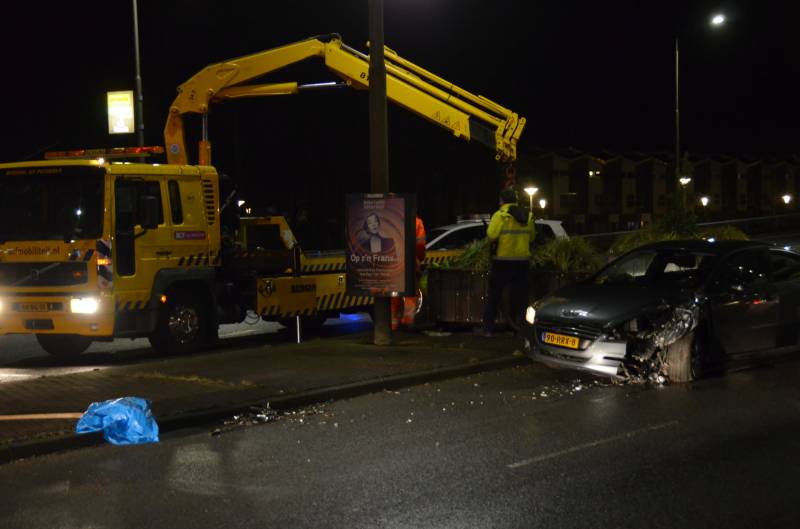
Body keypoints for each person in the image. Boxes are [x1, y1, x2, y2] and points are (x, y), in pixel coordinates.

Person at [478, 188, 535, 336]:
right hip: (523, 262)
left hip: (502, 262)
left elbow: (491, 236)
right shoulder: (528, 216)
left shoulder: (500, 215)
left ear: (501, 201)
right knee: (521, 297)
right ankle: (521, 328)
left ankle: (488, 328)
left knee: (495, 294)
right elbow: (532, 238)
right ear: (516, 201)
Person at [391, 216, 426, 330]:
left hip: (394, 263)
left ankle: (394, 323)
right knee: (410, 293)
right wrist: (419, 259)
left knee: (395, 294)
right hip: (411, 262)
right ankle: (408, 321)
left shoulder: (392, 218)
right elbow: (420, 245)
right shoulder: (416, 222)